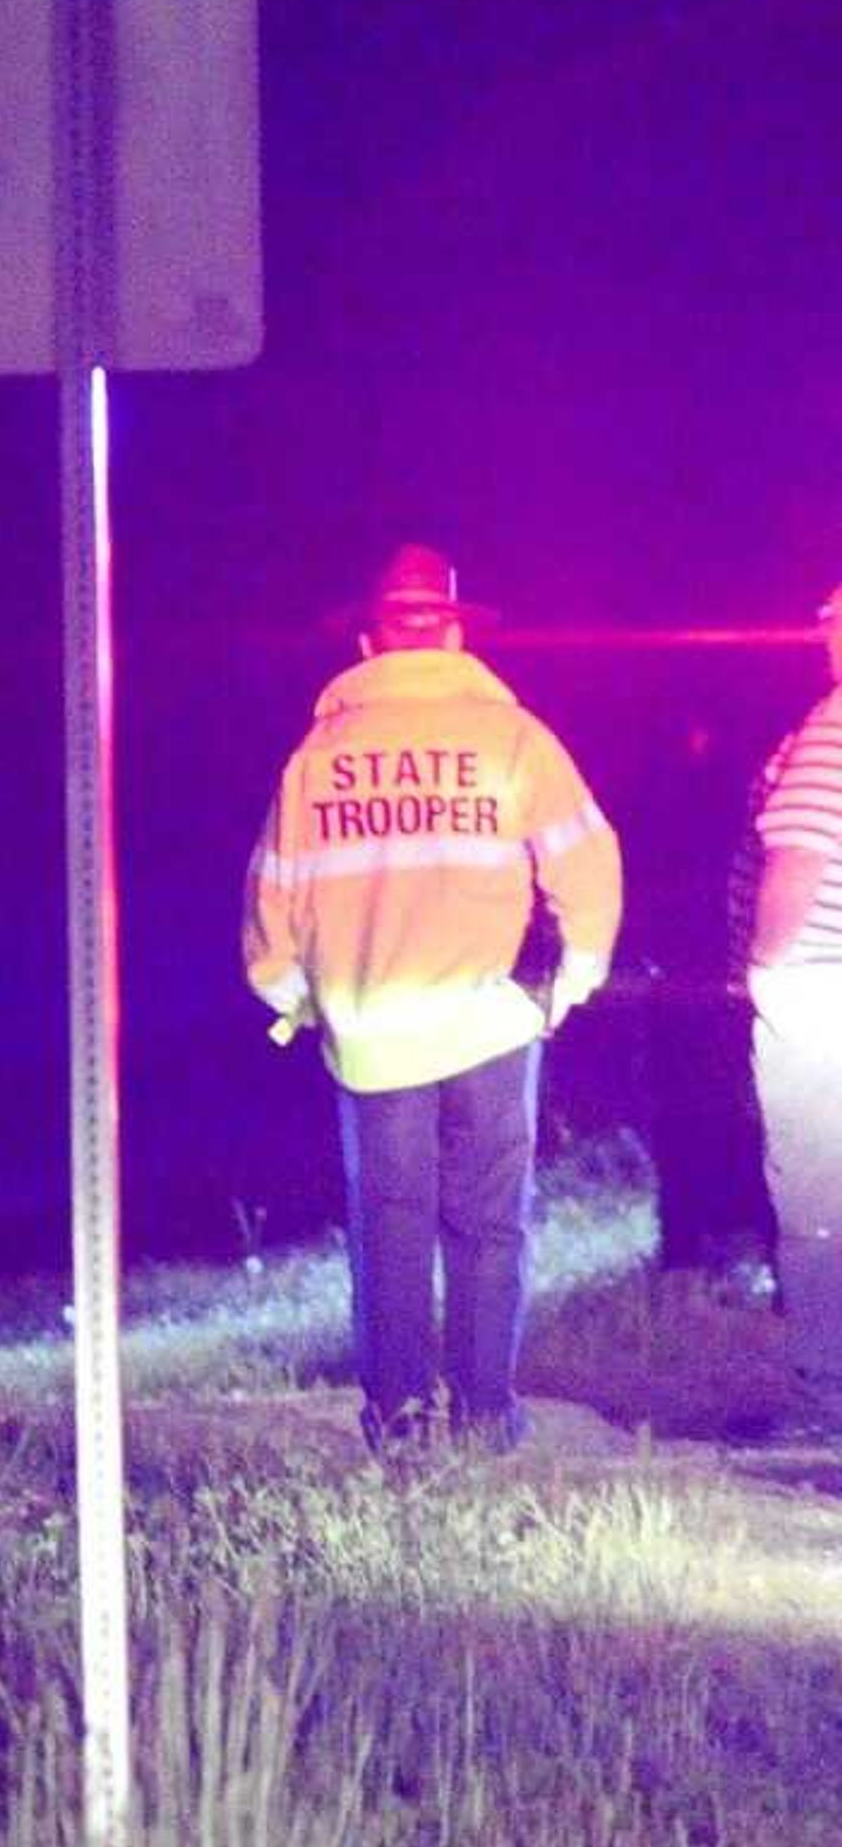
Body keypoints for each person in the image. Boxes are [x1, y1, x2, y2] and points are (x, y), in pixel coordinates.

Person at [244, 544, 622, 1450]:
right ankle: (488, 1416)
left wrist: (296, 999)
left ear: (370, 644)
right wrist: (572, 979)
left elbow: (272, 897)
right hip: (490, 1024)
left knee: (390, 1231)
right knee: (490, 1224)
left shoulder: (319, 755)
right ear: (452, 634)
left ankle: (400, 1421)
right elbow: (588, 863)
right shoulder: (514, 739)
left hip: (373, 1033)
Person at [739, 580, 842, 1418]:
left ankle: (824, 1389)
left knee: (815, 1192)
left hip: (820, 986)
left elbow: (798, 862)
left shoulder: (832, 729)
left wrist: (763, 964)